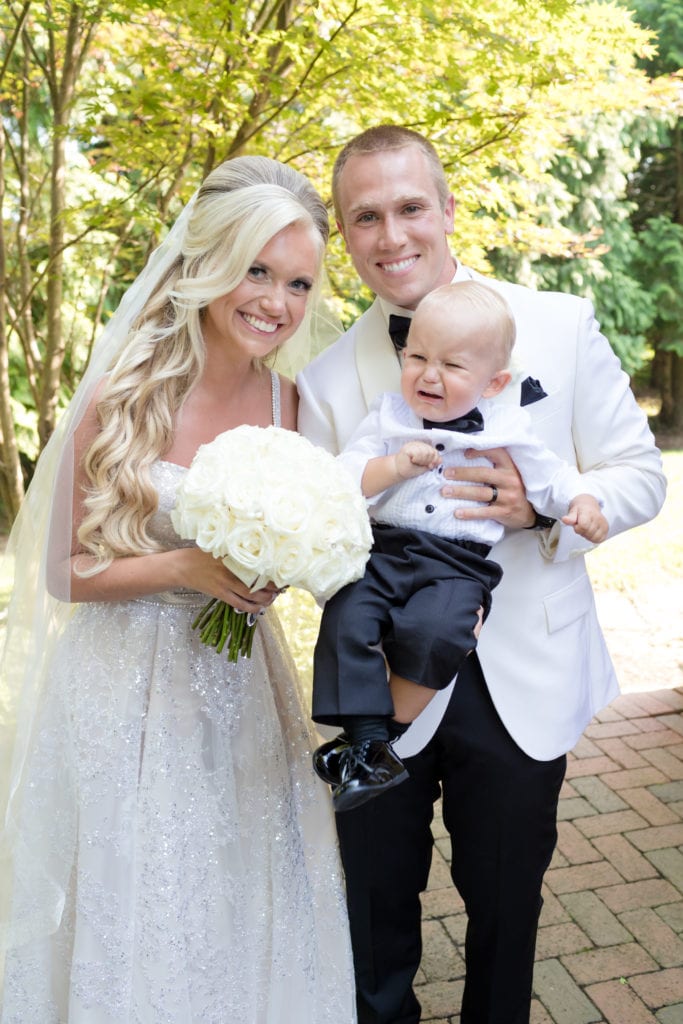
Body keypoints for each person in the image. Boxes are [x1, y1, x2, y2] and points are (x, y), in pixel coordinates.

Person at [296, 125, 666, 1024]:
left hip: (521, 686)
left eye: (411, 207)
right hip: (379, 691)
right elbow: (313, 536)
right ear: (344, 236)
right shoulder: (326, 376)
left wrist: (538, 511)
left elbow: (640, 475)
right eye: (365, 217)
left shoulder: (560, 323)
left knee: (508, 911)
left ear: (449, 208)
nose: (392, 236)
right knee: (374, 914)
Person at [0, 156, 356, 1023]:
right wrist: (188, 568)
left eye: (299, 282)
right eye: (257, 270)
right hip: (119, 685)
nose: (277, 300)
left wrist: (288, 562)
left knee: (242, 878)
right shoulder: (125, 390)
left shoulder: (290, 402)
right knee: (138, 881)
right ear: (207, 265)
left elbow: (309, 522)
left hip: (241, 689)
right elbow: (62, 574)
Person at [312, 281, 608, 813]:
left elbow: (551, 476)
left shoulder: (508, 426)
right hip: (385, 551)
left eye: (450, 366)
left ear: (493, 382)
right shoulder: (388, 417)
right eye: (418, 356)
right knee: (347, 615)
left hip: (456, 564)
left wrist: (580, 503)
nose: (428, 374)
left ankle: (381, 739)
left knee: (440, 629)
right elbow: (344, 476)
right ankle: (358, 736)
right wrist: (394, 466)